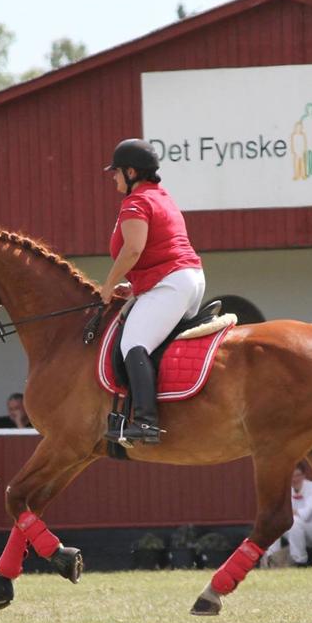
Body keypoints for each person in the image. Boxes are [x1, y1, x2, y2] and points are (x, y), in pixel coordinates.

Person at [100, 138, 204, 444]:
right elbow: (155, 252)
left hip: (171, 283)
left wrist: (107, 286)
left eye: (116, 171)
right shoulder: (160, 196)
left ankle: (145, 422)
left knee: (133, 343)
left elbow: (133, 250)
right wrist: (133, 286)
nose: (113, 177)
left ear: (131, 172)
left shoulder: (135, 203)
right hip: (185, 279)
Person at [262, 465, 312, 567]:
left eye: (298, 475)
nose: (295, 479)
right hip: (298, 530)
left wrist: (287, 512)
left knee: (294, 521)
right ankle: (271, 559)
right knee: (275, 524)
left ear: (303, 476)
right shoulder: (287, 490)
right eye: (292, 476)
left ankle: (300, 561)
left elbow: (306, 514)